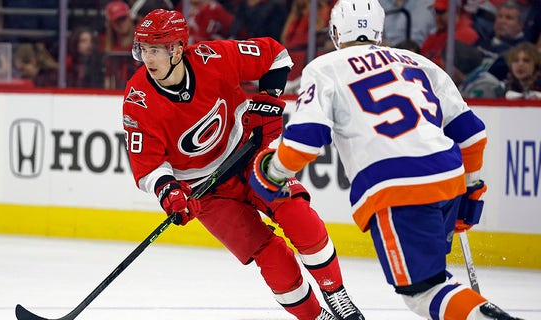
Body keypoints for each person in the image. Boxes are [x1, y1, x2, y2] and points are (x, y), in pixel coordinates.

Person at [250, 0, 523, 319]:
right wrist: (472, 190)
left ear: (336, 32)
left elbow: (305, 140)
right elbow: (473, 134)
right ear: (379, 30)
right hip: (448, 176)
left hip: (398, 186)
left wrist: (273, 171)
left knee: (423, 291)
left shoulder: (326, 67)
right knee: (435, 280)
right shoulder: (420, 62)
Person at [122, 9, 364, 320]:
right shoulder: (138, 100)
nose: (148, 59)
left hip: (248, 154)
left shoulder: (213, 57)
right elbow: (147, 165)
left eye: (155, 50)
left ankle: (336, 293)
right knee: (270, 254)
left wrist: (269, 98)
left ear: (178, 49)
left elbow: (276, 56)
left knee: (295, 211)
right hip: (205, 192)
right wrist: (169, 192)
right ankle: (317, 318)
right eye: (143, 50)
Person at [420, 0, 479, 68]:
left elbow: (446, 66)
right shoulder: (434, 36)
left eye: (441, 12)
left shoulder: (466, 33)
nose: (437, 17)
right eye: (436, 11)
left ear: (456, 11)